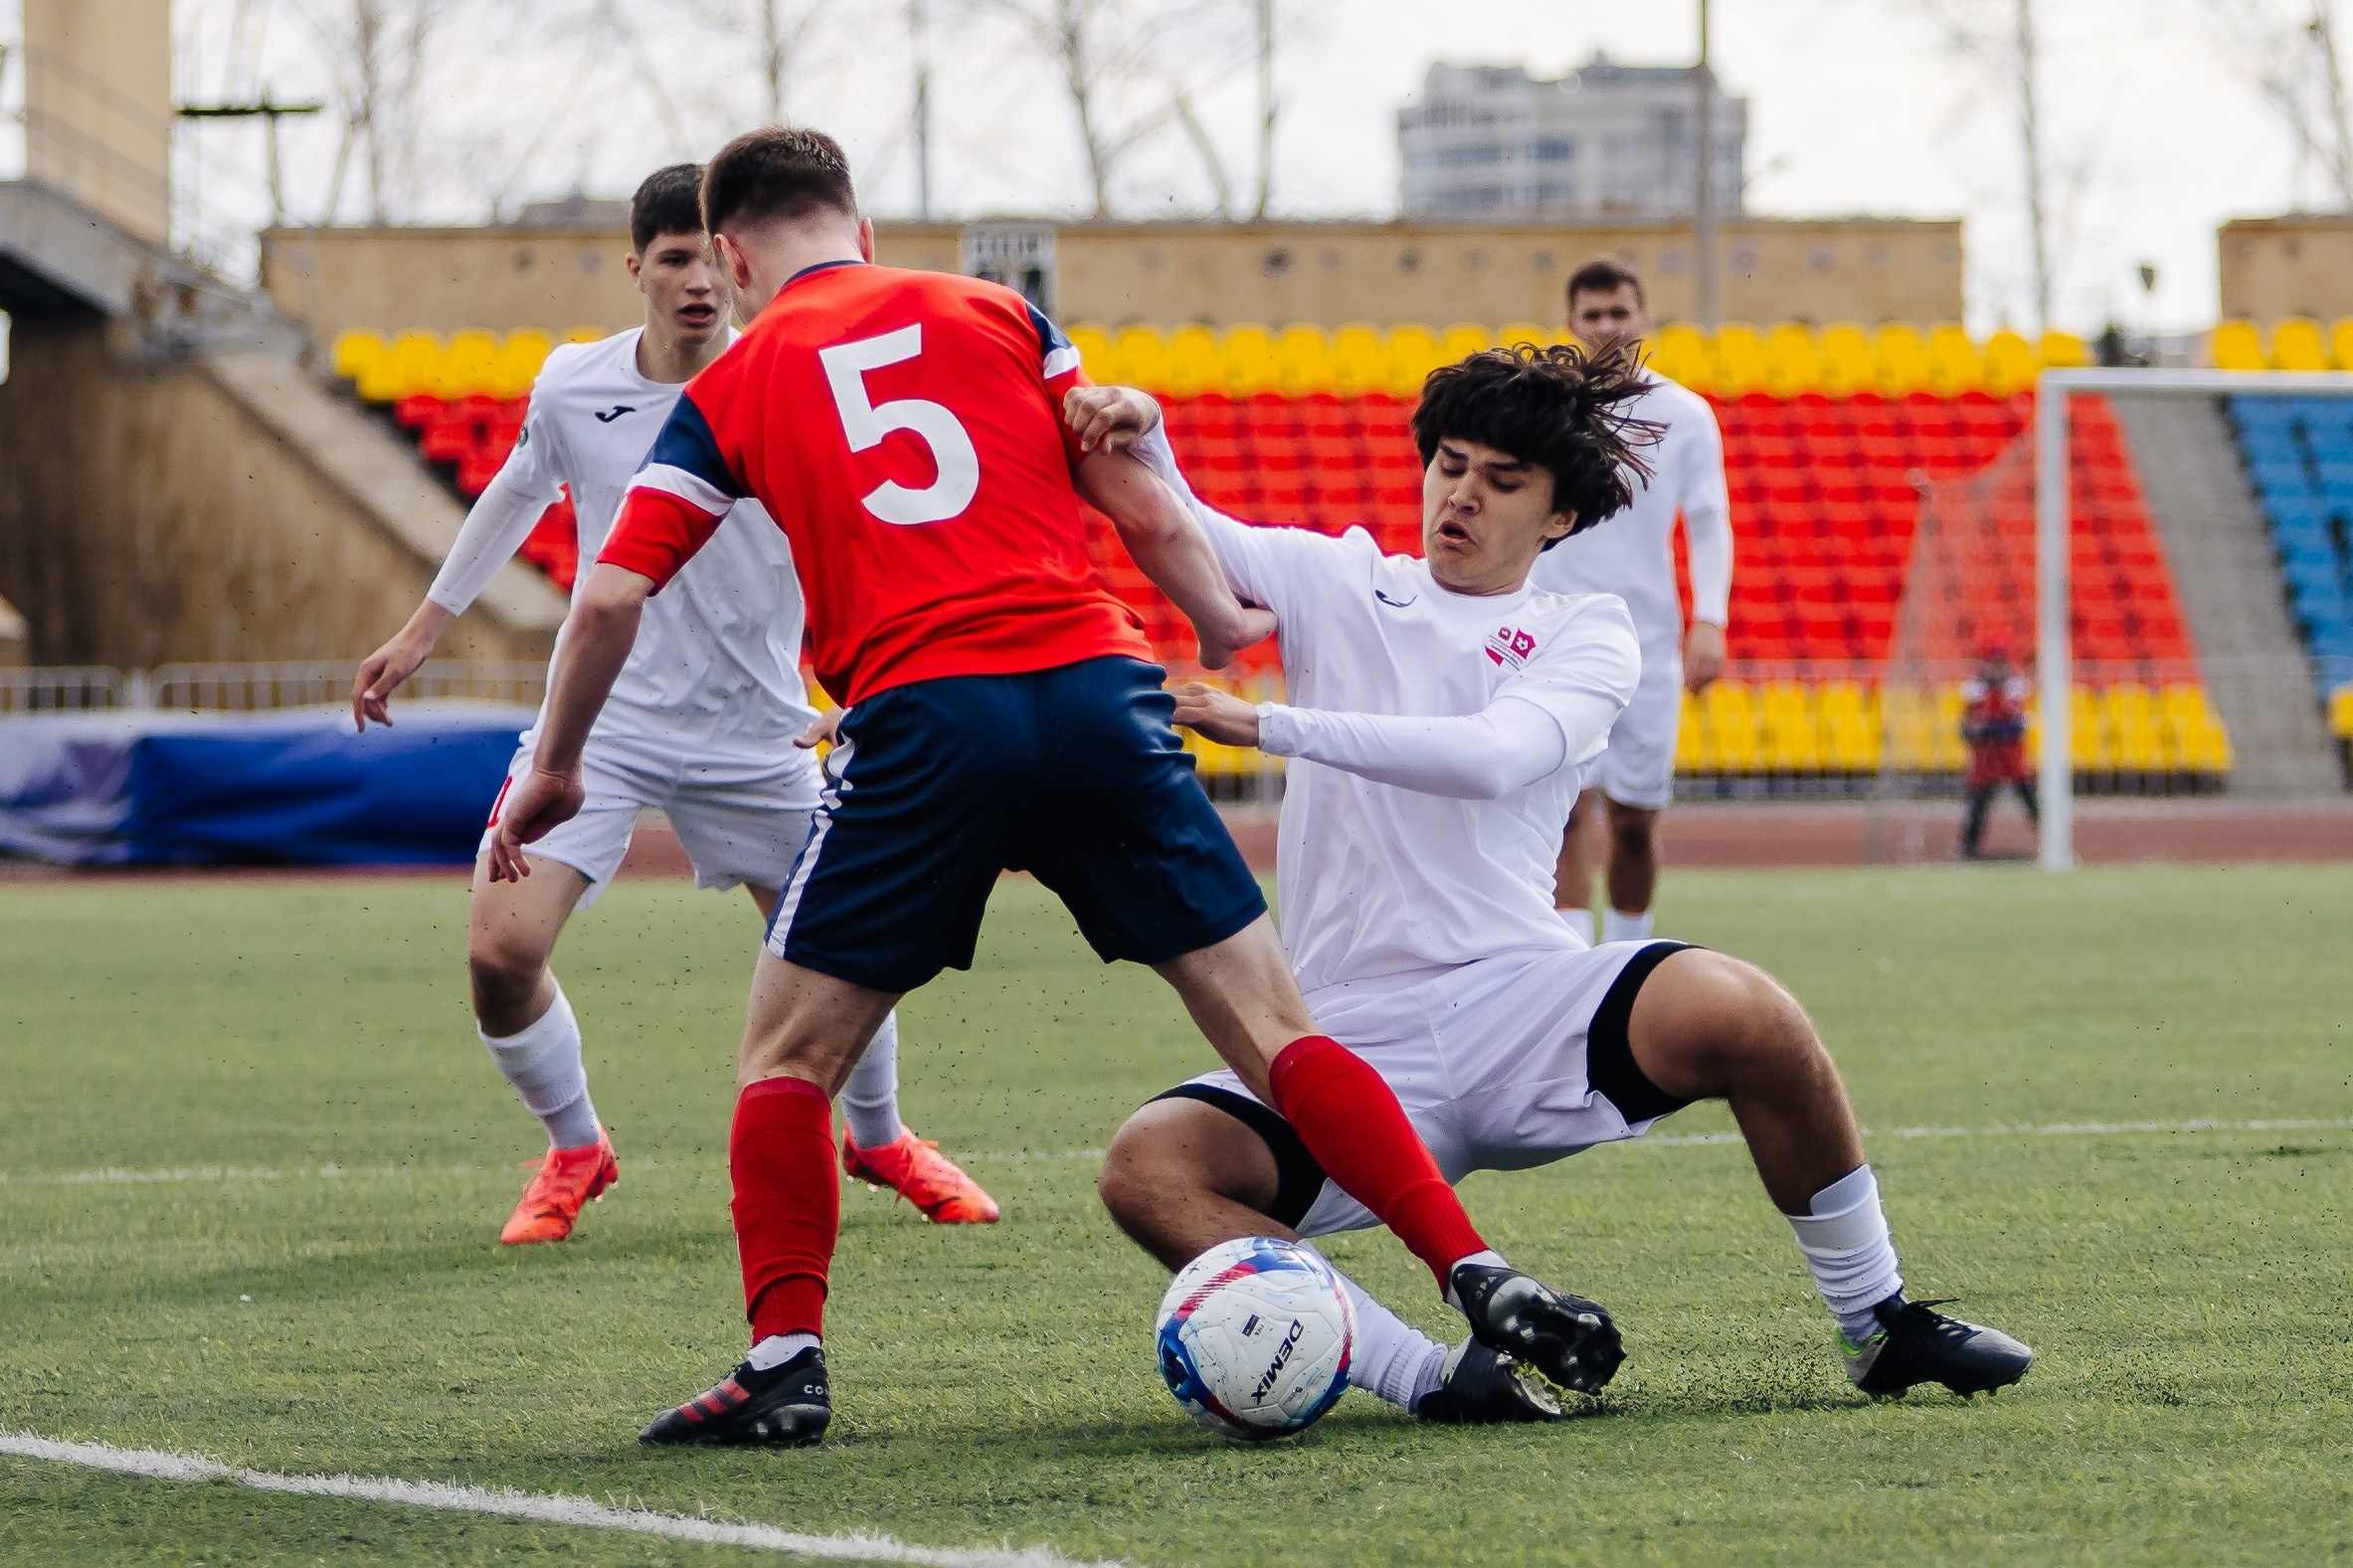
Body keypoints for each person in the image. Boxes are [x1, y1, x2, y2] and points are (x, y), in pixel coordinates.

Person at [489, 126, 1622, 1448]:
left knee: (789, 1057)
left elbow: (613, 591)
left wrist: (559, 764)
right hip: (1098, 691)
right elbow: (1138, 501)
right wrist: (1215, 620)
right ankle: (1469, 1267)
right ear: (858, 229)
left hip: (924, 718)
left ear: (731, 256)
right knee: (1274, 1028)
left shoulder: (737, 383)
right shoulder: (1000, 315)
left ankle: (785, 1361)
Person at [1072, 350, 2033, 1422]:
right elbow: (1175, 521)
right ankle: (1434, 1375)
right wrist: (1141, 429)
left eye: (1502, 478)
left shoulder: (1589, 633)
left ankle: (1878, 1321)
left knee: (1749, 1011)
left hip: (1520, 1003)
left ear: (1561, 514)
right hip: (1338, 1037)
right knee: (1146, 1169)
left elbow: (1488, 753)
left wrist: (1270, 723)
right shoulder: (1333, 576)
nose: (1462, 494)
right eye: (1449, 464)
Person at [352, 163, 997, 1247]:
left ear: (739, 258)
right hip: (604, 726)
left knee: (857, 952)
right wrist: (423, 628)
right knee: (499, 955)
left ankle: (878, 1134)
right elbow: (516, 490)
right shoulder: (572, 386)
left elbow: (862, 531)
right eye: (674, 260)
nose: (698, 281)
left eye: (711, 256)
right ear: (636, 269)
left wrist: (869, 679)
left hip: (763, 729)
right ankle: (574, 1146)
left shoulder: (792, 377)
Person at [1533, 256, 1733, 945]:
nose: (1607, 327)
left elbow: (1707, 520)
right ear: (1571, 325)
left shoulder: (1685, 414)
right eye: (1593, 315)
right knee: (1560, 810)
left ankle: (1626, 959)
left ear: (1643, 319)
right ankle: (1565, 967)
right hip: (1552, 636)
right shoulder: (1544, 411)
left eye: (1620, 313)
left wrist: (1711, 617)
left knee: (1634, 819)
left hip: (1645, 644)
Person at [1959, 647, 2038, 859]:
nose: (1996, 668)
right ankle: (1968, 848)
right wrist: (1983, 729)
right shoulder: (1975, 692)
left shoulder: (2016, 689)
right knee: (1978, 806)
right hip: (1985, 761)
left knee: (2032, 802)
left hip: (2012, 760)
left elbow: (2018, 727)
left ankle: (2051, 843)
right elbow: (1965, 728)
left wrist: (1986, 729)